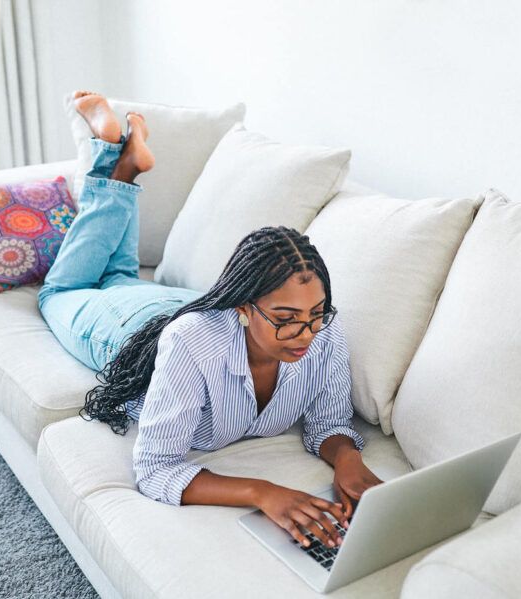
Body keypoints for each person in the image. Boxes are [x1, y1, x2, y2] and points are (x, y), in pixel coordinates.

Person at [37, 91, 383, 549]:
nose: (306, 334)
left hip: (183, 304)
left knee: (120, 273)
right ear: (242, 305)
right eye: (286, 318)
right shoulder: (191, 344)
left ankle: (124, 166)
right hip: (128, 331)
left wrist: (347, 462)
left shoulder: (322, 332)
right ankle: (111, 154)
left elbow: (328, 421)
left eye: (315, 314)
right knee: (60, 291)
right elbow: (157, 468)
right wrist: (262, 492)